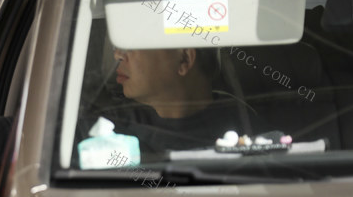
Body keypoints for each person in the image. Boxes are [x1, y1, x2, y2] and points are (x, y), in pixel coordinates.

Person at [110, 45, 262, 155]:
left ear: (184, 59)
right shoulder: (111, 129)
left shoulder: (246, 125)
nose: (118, 55)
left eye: (131, 44)